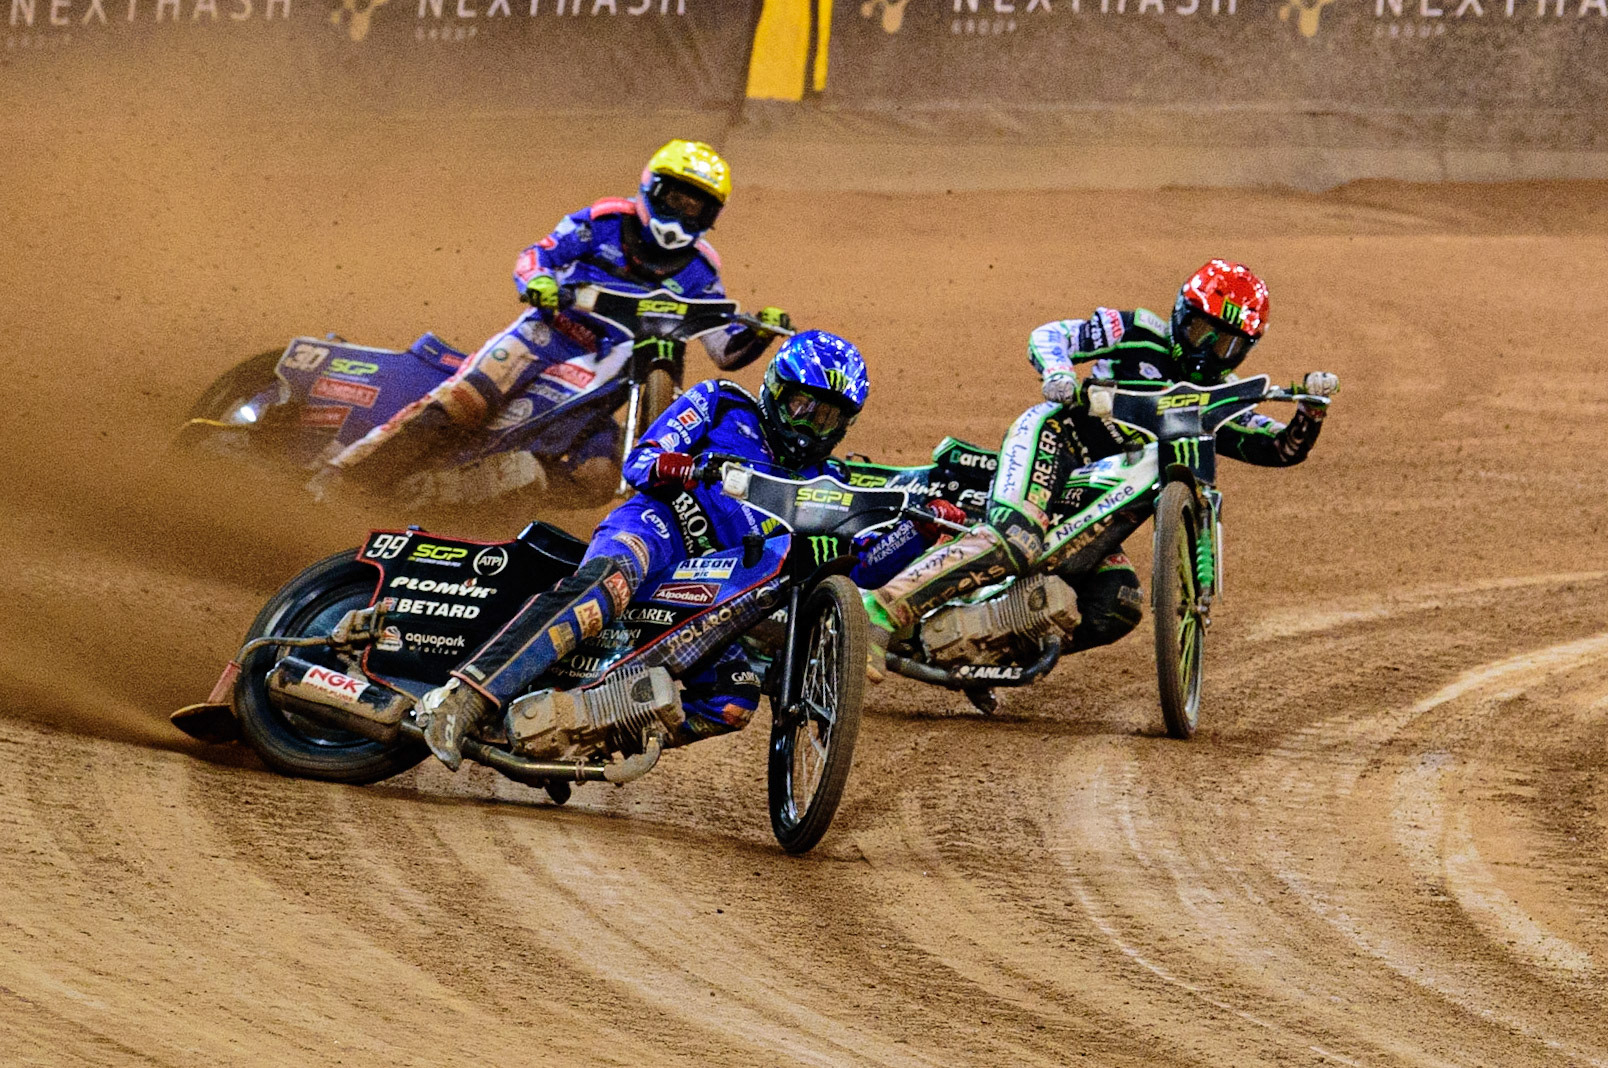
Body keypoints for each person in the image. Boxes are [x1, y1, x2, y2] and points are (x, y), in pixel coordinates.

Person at [415, 330, 967, 769]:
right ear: (777, 390)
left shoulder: (830, 480)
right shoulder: (722, 404)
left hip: (713, 585)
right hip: (658, 527)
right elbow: (641, 462)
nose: (811, 426)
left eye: (828, 417)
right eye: (803, 406)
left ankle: (580, 734)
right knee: (606, 585)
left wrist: (921, 532)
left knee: (733, 699)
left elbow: (860, 570)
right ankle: (464, 697)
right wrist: (685, 465)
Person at [863, 259, 1340, 679]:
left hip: (1094, 505)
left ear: (1246, 351)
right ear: (1180, 314)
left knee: (1119, 603)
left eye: (1227, 346)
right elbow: (1050, 335)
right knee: (1017, 539)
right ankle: (878, 614)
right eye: (1201, 332)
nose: (1208, 350)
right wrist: (1058, 373)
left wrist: (1311, 411)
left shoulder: (1220, 400)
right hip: (1055, 441)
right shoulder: (1135, 328)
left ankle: (978, 652)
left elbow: (1281, 448)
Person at [313, 139, 790, 500]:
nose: (683, 215)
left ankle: (463, 507)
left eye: (698, 208)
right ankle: (340, 478)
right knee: (464, 403)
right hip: (548, 335)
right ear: (651, 189)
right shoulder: (603, 219)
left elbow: (723, 347)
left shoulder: (702, 267)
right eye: (676, 200)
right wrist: (537, 282)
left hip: (610, 374)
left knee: (598, 477)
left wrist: (759, 332)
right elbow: (537, 255)